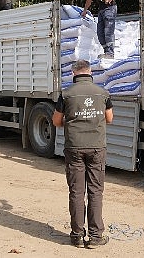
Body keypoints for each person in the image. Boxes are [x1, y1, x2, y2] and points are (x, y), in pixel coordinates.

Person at [52, 59, 114, 249]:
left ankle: (77, 236)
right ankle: (95, 237)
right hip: (96, 147)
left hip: (74, 147)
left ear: (74, 73)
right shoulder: (103, 93)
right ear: (90, 72)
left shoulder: (66, 94)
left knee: (77, 192)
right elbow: (109, 119)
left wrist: (72, 122)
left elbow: (56, 121)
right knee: (95, 191)